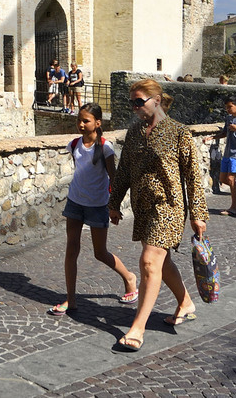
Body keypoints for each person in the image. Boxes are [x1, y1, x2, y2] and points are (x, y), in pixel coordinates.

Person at [107, 78, 208, 351]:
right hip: (143, 206)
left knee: (150, 262)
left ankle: (137, 327)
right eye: (132, 102)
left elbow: (193, 178)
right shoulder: (135, 133)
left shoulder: (178, 132)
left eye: (139, 101)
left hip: (169, 206)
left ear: (157, 100)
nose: (135, 107)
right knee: (160, 263)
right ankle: (185, 302)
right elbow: (125, 170)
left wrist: (199, 214)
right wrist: (114, 202)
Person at [48, 103, 138, 315]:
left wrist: (113, 206)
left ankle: (129, 277)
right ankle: (71, 299)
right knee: (71, 250)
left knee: (100, 253)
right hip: (75, 202)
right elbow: (80, 171)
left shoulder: (105, 147)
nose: (80, 124)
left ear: (97, 123)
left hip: (98, 205)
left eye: (85, 120)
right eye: (79, 119)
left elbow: (114, 177)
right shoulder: (74, 145)